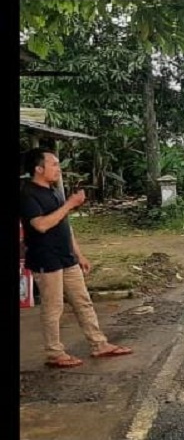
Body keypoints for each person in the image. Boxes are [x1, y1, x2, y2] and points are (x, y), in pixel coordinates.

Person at [20, 148, 133, 368]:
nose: (58, 169)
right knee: (53, 308)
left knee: (83, 301)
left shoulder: (54, 191)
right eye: (54, 164)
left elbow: (65, 226)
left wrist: (79, 254)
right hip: (46, 259)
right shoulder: (27, 194)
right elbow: (40, 225)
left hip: (66, 257)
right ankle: (55, 353)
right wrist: (70, 205)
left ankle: (99, 344)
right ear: (38, 169)